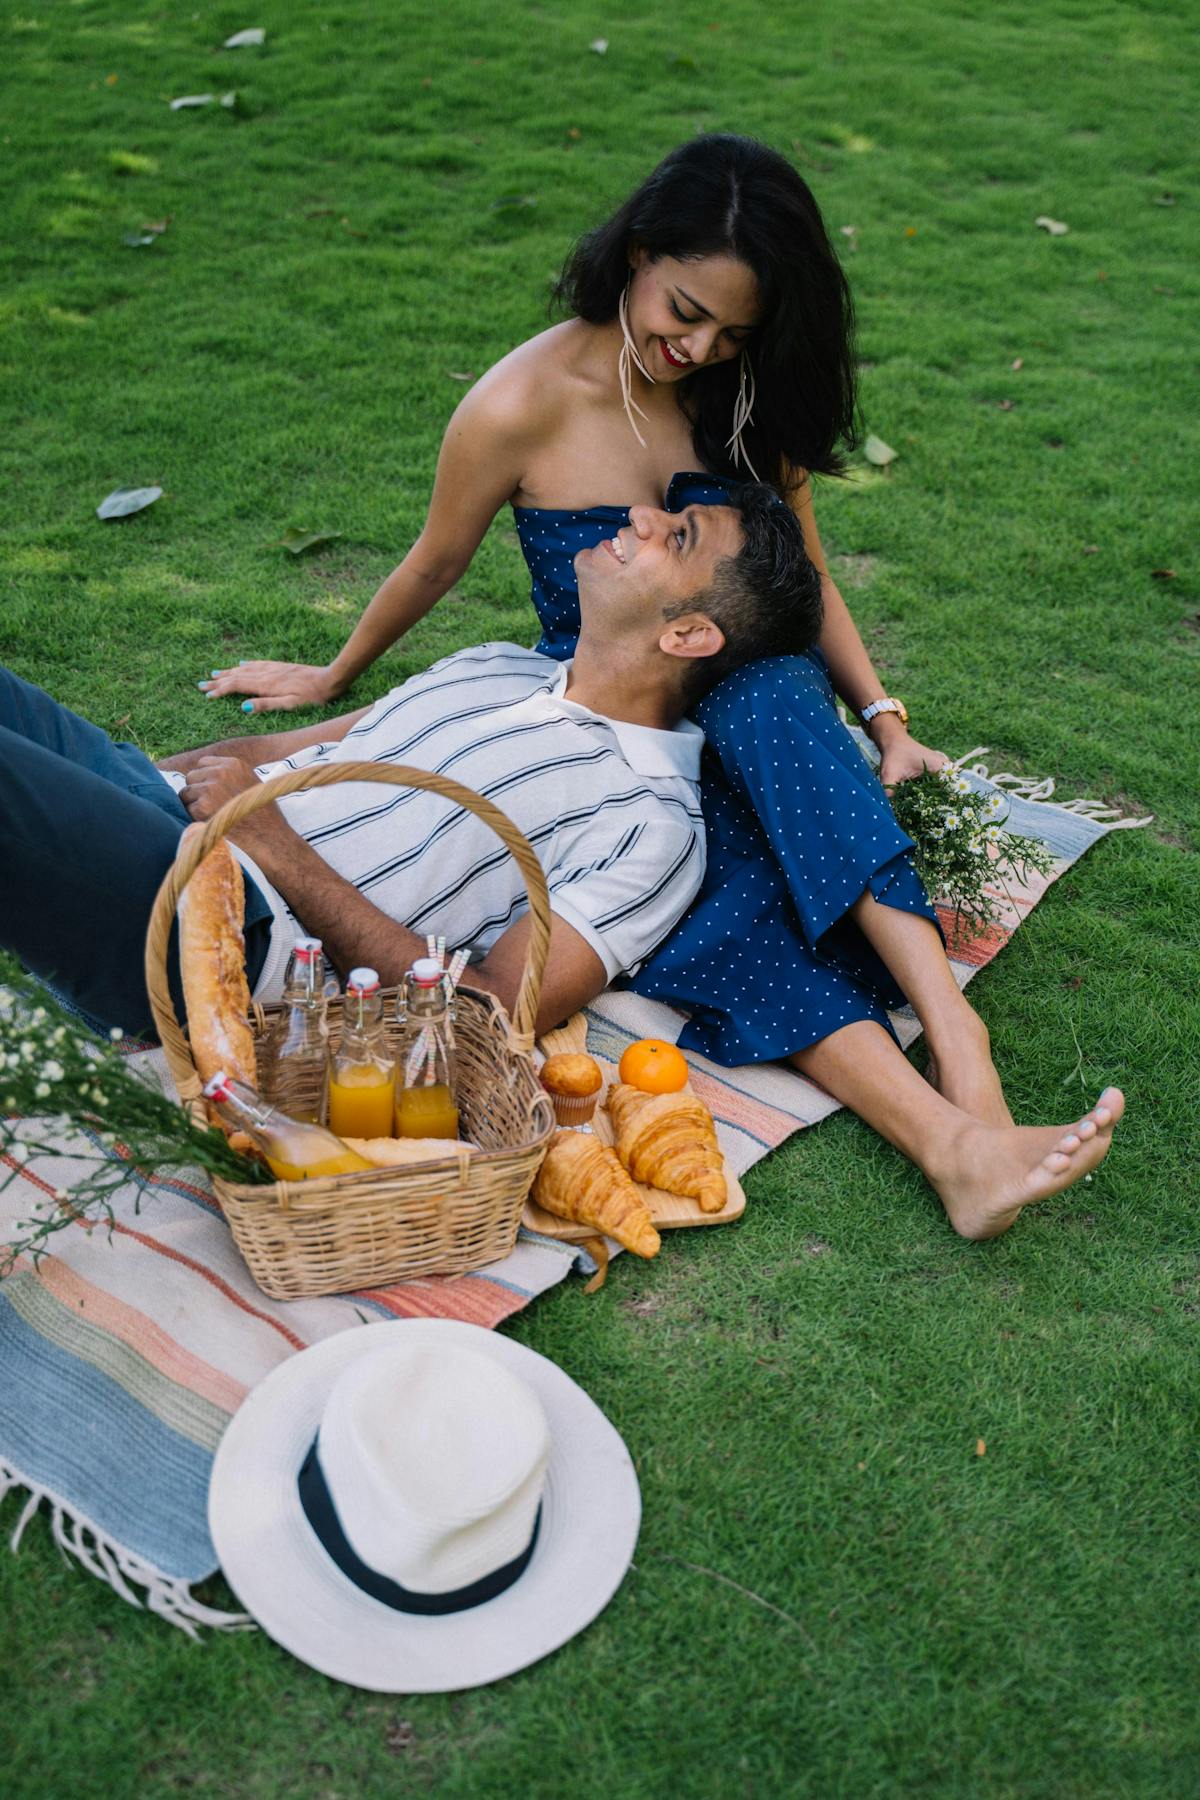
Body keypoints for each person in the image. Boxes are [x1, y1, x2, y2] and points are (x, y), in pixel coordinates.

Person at [195, 135, 1123, 1238]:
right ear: (637, 255)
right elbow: (434, 560)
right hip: (612, 709)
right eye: (685, 311)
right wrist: (335, 673)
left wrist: (883, 720)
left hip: (739, 690)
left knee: (770, 701)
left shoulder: (741, 396)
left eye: (733, 331)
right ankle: (950, 1142)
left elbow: (802, 569)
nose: (699, 347)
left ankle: (954, 1042)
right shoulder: (520, 403)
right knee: (717, 895)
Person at [0, 486, 819, 1046]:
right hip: (167, 820)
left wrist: (278, 846)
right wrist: (126, 782)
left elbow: (496, 1015)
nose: (640, 514)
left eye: (674, 537)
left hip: (230, 942)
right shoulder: (497, 663)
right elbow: (277, 753)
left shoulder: (652, 821)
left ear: (688, 636)